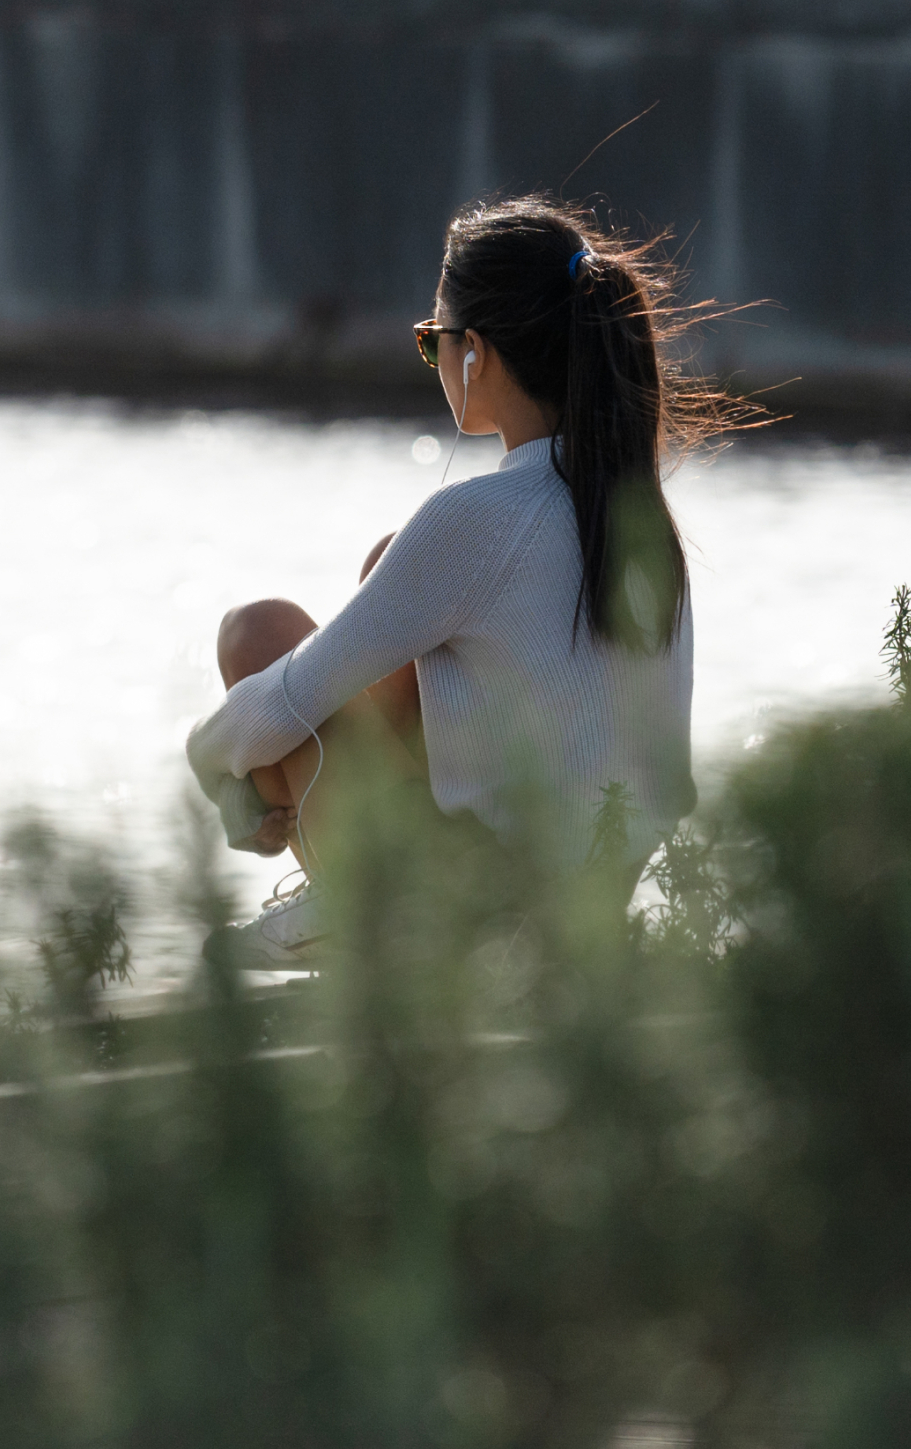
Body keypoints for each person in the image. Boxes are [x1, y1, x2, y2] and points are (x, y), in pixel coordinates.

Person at [186, 190, 731, 968]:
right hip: (591, 899)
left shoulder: (477, 517)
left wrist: (211, 766)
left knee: (256, 632)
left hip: (489, 906)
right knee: (386, 567)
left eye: (430, 340)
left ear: (473, 352)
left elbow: (287, 701)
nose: (432, 358)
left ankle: (367, 914)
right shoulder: (639, 518)